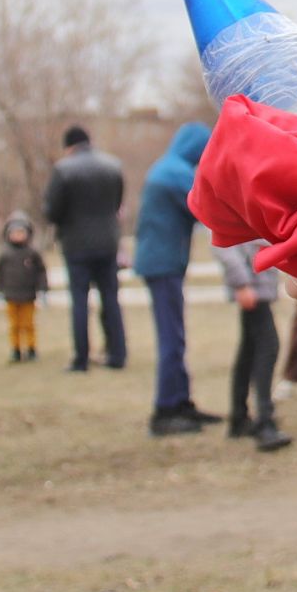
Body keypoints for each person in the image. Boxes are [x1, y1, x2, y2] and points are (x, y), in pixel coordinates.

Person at [132, 123, 218, 436]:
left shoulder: (168, 167)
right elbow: (208, 206)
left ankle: (181, 402)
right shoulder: (177, 174)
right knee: (171, 339)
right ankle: (165, 411)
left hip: (162, 263)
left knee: (176, 336)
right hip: (163, 265)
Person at [42, 125, 128, 374]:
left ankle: (81, 358)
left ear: (68, 146)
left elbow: (52, 210)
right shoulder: (112, 166)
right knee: (111, 298)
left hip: (76, 244)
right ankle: (118, 353)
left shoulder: (63, 170)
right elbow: (117, 201)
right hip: (108, 242)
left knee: (80, 300)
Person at [213, 239, 291, 452]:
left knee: (248, 350)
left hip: (258, 282)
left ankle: (238, 417)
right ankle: (264, 421)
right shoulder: (228, 205)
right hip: (252, 284)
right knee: (268, 347)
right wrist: (241, 282)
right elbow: (222, 243)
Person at [0, 212, 48, 363]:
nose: (18, 235)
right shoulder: (4, 254)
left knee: (28, 324)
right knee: (14, 325)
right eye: (15, 232)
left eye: (21, 232)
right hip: (11, 295)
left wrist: (42, 289)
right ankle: (15, 349)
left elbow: (41, 272)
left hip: (28, 295)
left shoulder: (32, 253)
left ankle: (31, 348)